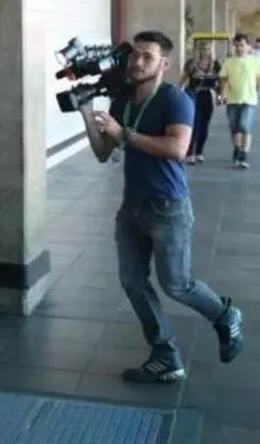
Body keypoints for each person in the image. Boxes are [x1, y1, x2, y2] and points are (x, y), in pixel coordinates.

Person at [81, 30, 243, 383]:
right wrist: (86, 113)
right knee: (133, 282)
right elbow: (101, 151)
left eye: (147, 57)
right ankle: (165, 353)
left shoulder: (175, 99)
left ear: (164, 64)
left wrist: (123, 133)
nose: (137, 62)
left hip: (168, 207)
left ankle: (224, 316)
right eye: (134, 55)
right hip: (132, 207)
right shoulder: (122, 102)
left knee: (177, 285)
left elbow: (177, 149)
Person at [218, 33, 260, 168]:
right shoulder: (229, 62)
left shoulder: (255, 61)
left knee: (244, 125)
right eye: (236, 46)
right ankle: (237, 148)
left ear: (248, 46)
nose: (239, 48)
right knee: (234, 127)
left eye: (242, 45)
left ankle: (244, 154)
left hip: (249, 100)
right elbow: (223, 79)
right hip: (232, 100)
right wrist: (222, 94)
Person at [178, 43, 221, 164]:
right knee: (194, 124)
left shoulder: (215, 64)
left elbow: (220, 81)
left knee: (204, 124)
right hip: (193, 95)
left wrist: (220, 95)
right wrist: (178, 93)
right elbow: (183, 79)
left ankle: (199, 152)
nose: (205, 52)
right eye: (203, 49)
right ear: (198, 51)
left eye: (207, 49)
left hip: (208, 95)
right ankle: (190, 152)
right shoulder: (191, 64)